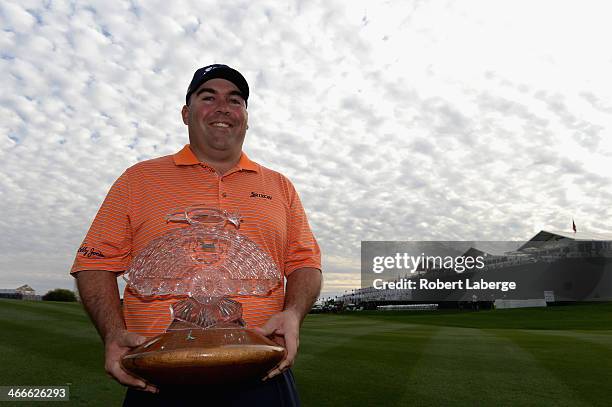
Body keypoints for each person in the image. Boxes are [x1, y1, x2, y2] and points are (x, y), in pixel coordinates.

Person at [71, 64, 322, 406]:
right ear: (186, 114)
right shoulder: (138, 180)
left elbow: (305, 263)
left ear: (246, 118)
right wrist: (113, 334)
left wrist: (292, 314)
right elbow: (93, 263)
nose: (223, 107)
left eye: (235, 100)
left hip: (262, 371)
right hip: (161, 376)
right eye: (208, 97)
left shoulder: (280, 187)